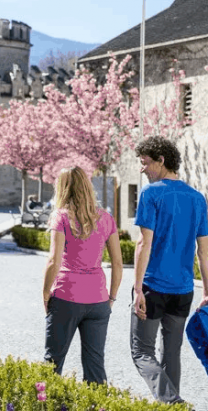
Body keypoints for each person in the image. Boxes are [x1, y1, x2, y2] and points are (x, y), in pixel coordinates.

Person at [131, 136, 208, 404]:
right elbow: (204, 252)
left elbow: (144, 242)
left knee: (141, 351)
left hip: (153, 287)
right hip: (184, 290)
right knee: (171, 352)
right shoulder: (197, 198)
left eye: (145, 163)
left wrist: (137, 288)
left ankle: (173, 403)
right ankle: (172, 406)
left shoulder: (151, 194)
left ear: (161, 160)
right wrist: (207, 292)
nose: (143, 169)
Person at [43, 166, 123, 384]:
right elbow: (117, 262)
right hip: (98, 301)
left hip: (66, 297)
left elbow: (53, 261)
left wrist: (45, 293)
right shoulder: (106, 218)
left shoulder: (61, 217)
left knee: (52, 363)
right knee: (95, 366)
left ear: (63, 188)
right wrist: (112, 297)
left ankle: (43, 407)